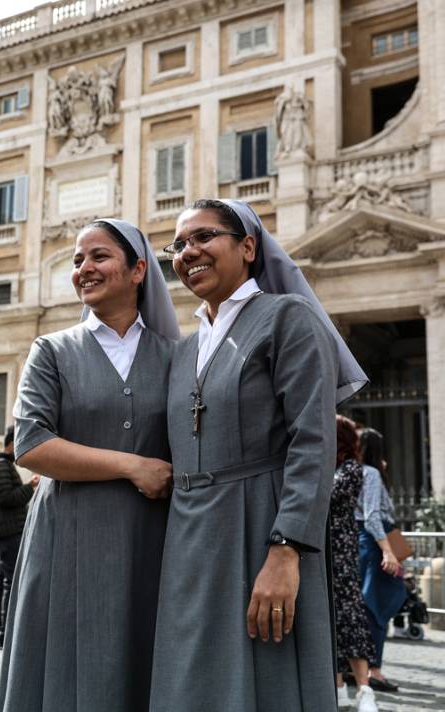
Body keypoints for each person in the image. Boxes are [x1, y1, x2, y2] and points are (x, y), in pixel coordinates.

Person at [150, 199, 365, 712]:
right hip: (189, 537)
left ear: (248, 247)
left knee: (266, 681)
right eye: (178, 245)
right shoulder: (183, 349)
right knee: (191, 680)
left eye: (204, 237)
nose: (188, 252)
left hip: (261, 529)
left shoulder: (287, 317)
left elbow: (312, 442)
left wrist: (286, 549)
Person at [0, 218, 179, 712]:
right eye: (78, 260)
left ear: (138, 269)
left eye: (98, 256)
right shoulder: (51, 351)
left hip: (151, 539)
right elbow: (32, 446)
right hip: (67, 535)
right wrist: (133, 466)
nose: (84, 269)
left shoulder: (178, 356)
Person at [331, 416, 379, 712]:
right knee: (329, 618)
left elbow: (330, 495)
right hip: (318, 547)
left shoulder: (351, 469)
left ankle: (364, 689)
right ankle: (336, 688)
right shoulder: (327, 465)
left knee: (350, 616)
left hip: (341, 550)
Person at [355, 427, 406, 693]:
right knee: (377, 605)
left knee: (366, 605)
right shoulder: (369, 473)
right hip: (378, 540)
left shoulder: (346, 472)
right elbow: (374, 516)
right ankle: (374, 670)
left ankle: (357, 667)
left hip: (368, 539)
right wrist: (389, 551)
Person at [0, 425, 39, 649]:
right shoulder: (1, 466)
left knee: (2, 582)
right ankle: (4, 633)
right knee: (8, 583)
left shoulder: (3, 465)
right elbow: (6, 497)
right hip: (8, 532)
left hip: (5, 532)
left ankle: (0, 632)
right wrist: (30, 487)